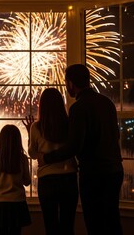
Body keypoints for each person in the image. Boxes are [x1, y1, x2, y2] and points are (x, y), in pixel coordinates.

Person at [38, 64, 124, 235]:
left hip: (94, 174)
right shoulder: (107, 103)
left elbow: (74, 146)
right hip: (115, 170)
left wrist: (47, 158)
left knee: (95, 223)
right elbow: (116, 136)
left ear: (70, 83)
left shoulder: (78, 108)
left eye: (66, 83)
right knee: (112, 220)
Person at [24, 88, 78, 235]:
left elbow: (32, 154)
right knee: (68, 225)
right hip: (69, 177)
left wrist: (30, 134)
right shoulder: (69, 125)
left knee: (51, 225)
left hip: (47, 179)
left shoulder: (36, 127)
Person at [0, 124, 32, 235]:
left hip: (0, 203)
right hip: (17, 202)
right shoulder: (22, 159)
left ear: (0, 140)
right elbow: (27, 182)